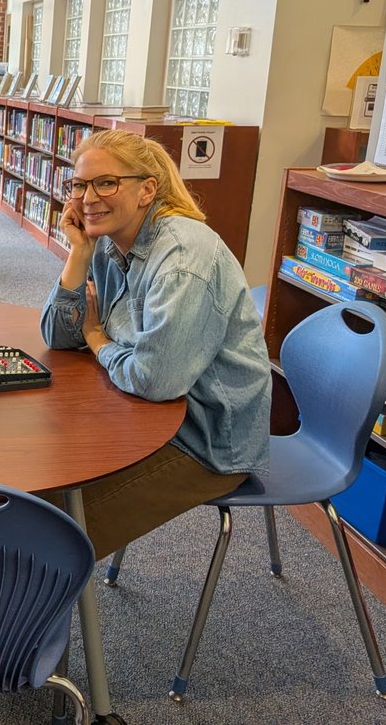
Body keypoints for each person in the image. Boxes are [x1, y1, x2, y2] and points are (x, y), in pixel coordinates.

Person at [40, 129, 270, 559]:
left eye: (105, 182)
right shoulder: (109, 244)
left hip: (203, 441)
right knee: (36, 482)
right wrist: (78, 255)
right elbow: (58, 337)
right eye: (78, 184)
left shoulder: (182, 259)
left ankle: (16, 613)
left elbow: (154, 379)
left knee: (51, 533)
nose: (87, 198)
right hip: (138, 415)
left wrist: (96, 337)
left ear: (147, 190)